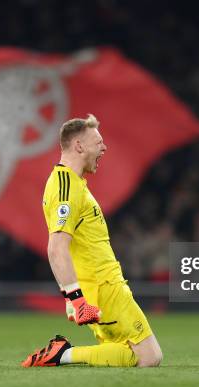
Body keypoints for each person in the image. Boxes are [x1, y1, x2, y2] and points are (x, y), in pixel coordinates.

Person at [21, 114, 163, 367]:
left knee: (127, 352)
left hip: (103, 284)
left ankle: (60, 354)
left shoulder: (74, 183)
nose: (104, 148)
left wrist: (73, 296)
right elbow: (56, 248)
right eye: (98, 142)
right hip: (103, 286)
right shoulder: (66, 187)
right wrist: (76, 300)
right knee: (149, 357)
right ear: (78, 146)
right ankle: (62, 354)